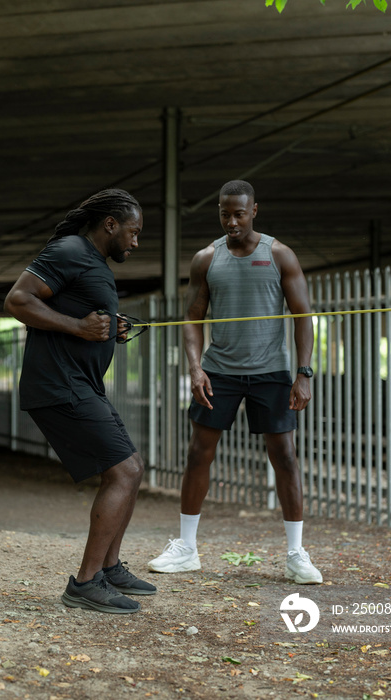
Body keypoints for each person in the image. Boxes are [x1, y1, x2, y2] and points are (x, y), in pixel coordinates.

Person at [148, 180, 322, 584]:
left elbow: (303, 316)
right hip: (220, 370)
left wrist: (304, 372)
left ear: (254, 210)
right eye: (225, 214)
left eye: (239, 213)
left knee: (285, 457)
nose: (231, 221)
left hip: (271, 372)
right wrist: (195, 368)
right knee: (198, 454)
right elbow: (192, 317)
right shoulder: (207, 258)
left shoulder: (279, 254)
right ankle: (186, 549)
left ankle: (296, 554)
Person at [4, 188, 157, 614]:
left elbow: (85, 317)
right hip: (59, 385)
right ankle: (85, 583)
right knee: (123, 472)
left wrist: (111, 328)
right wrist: (77, 326)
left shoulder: (92, 262)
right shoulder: (70, 249)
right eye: (133, 231)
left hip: (82, 384)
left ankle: (109, 568)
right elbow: (17, 300)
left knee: (133, 468)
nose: (135, 241)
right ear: (110, 224)